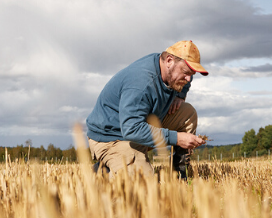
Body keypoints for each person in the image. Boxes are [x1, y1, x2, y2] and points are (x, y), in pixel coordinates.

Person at [85, 40, 208, 178]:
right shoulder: (141, 84)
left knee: (187, 113)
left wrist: (180, 95)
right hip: (113, 137)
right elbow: (131, 129)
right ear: (169, 61)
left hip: (141, 125)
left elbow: (187, 78)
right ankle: (102, 172)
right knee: (142, 183)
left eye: (192, 74)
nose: (188, 78)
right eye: (186, 72)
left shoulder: (171, 70)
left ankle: (178, 173)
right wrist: (177, 138)